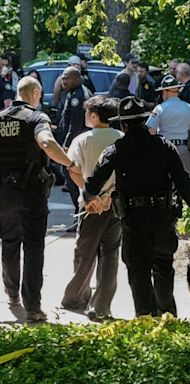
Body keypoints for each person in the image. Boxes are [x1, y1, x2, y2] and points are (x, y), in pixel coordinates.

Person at [83, 96, 190, 317]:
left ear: (123, 124)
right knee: (163, 267)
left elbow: (93, 182)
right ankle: (167, 316)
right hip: (162, 217)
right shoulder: (164, 146)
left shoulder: (116, 150)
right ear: (143, 121)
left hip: (134, 220)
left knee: (138, 272)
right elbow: (183, 180)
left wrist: (89, 198)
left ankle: (145, 319)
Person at [0, 76, 80, 322]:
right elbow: (46, 141)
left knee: (9, 242)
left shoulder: (1, 117)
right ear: (35, 93)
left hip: (2, 193)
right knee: (33, 247)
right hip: (30, 192)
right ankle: (33, 307)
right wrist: (69, 163)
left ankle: (12, 294)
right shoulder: (37, 117)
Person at [61, 95, 123, 321]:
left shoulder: (83, 139)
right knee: (110, 255)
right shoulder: (120, 138)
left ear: (94, 116)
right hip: (114, 205)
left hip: (89, 207)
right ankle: (102, 305)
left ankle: (76, 298)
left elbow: (73, 169)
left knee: (84, 253)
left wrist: (89, 196)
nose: (85, 116)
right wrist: (109, 195)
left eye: (87, 113)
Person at [146, 75, 190, 174]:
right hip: (183, 150)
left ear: (165, 92)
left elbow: (151, 132)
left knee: (164, 180)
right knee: (184, 181)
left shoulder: (159, 109)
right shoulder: (189, 108)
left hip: (164, 149)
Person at [59, 66, 92, 223]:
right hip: (77, 144)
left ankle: (82, 212)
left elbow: (76, 125)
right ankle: (80, 212)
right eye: (63, 78)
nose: (63, 81)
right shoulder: (73, 93)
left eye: (67, 78)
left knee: (72, 176)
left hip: (77, 146)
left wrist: (66, 146)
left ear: (77, 79)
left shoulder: (78, 97)